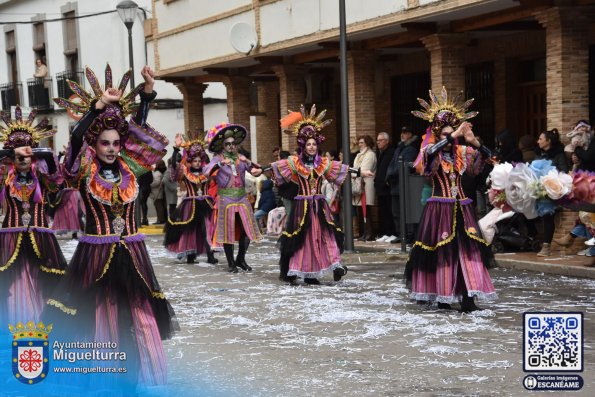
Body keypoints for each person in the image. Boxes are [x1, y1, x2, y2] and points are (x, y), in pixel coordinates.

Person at [46, 65, 177, 386]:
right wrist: (98, 107)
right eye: (105, 143)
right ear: (97, 144)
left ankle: (138, 373)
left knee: (138, 311)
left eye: (116, 143)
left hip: (132, 251)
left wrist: (147, 93)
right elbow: (76, 140)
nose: (111, 148)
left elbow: (140, 133)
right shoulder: (84, 169)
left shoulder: (130, 167)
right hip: (95, 253)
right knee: (101, 312)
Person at [405, 87, 497, 312]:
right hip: (439, 208)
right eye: (445, 135)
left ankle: (468, 297)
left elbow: (488, 160)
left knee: (468, 251)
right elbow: (425, 163)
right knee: (441, 251)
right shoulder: (429, 151)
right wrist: (453, 135)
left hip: (463, 208)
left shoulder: (461, 153)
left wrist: (474, 141)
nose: (450, 139)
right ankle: (443, 295)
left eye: (451, 134)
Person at [0, 106, 67, 325]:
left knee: (42, 287)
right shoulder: (4, 179)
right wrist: (10, 153)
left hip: (42, 240)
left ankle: (42, 328)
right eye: (16, 153)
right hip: (10, 242)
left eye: (27, 153)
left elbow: (58, 177)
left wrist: (36, 151)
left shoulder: (43, 177)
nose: (23, 158)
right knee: (15, 289)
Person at [272, 104, 350, 284]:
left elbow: (343, 169)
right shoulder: (295, 163)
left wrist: (360, 171)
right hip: (302, 207)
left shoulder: (322, 163)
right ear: (303, 145)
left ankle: (334, 266)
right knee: (303, 238)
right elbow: (276, 168)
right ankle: (302, 271)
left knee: (325, 236)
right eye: (308, 144)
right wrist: (258, 169)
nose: (312, 147)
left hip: (320, 206)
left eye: (314, 143)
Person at [203, 123, 263, 273]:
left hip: (242, 198)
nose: (231, 146)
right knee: (228, 231)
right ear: (223, 146)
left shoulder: (241, 158)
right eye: (227, 144)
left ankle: (240, 259)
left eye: (233, 143)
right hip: (225, 199)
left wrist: (253, 166)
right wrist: (220, 164)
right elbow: (206, 172)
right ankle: (231, 263)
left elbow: (255, 170)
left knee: (248, 230)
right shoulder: (217, 159)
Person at [164, 133, 218, 264]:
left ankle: (210, 255)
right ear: (190, 161)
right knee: (190, 230)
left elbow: (216, 164)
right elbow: (174, 168)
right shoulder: (185, 172)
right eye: (195, 161)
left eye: (199, 161)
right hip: (190, 205)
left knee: (207, 229)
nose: (198, 163)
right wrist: (176, 149)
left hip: (205, 203)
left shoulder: (206, 172)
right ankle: (190, 255)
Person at [535, 128, 569, 257]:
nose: (538, 141)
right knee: (541, 218)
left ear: (548, 141)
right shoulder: (539, 153)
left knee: (548, 218)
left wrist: (551, 179)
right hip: (539, 189)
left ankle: (546, 246)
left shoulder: (558, 155)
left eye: (541, 139)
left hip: (552, 190)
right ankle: (538, 241)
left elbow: (563, 171)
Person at [386, 126, 420, 244]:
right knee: (396, 212)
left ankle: (408, 235)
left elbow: (404, 167)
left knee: (405, 211)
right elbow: (392, 164)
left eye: (405, 133)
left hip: (403, 185)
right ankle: (401, 234)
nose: (403, 134)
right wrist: (388, 175)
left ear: (410, 134)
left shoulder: (411, 149)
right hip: (395, 185)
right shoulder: (399, 148)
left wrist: (391, 174)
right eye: (402, 132)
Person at [352, 135, 377, 241]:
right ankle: (363, 233)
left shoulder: (370, 154)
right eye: (359, 142)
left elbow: (364, 170)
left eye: (362, 142)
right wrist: (356, 171)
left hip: (366, 185)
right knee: (359, 210)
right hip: (358, 184)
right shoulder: (358, 155)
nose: (359, 144)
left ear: (367, 143)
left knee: (366, 209)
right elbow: (355, 170)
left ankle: (370, 233)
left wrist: (355, 172)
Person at [374, 131, 396, 242]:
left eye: (380, 140)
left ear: (387, 141)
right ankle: (387, 232)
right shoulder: (380, 153)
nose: (378, 142)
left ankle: (393, 232)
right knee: (383, 211)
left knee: (390, 210)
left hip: (387, 188)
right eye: (377, 140)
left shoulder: (391, 152)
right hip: (380, 188)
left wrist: (387, 181)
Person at [151, 160, 167, 224]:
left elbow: (157, 182)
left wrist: (150, 184)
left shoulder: (157, 173)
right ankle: (160, 219)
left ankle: (160, 220)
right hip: (158, 192)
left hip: (157, 192)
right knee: (159, 206)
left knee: (158, 207)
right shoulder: (161, 172)